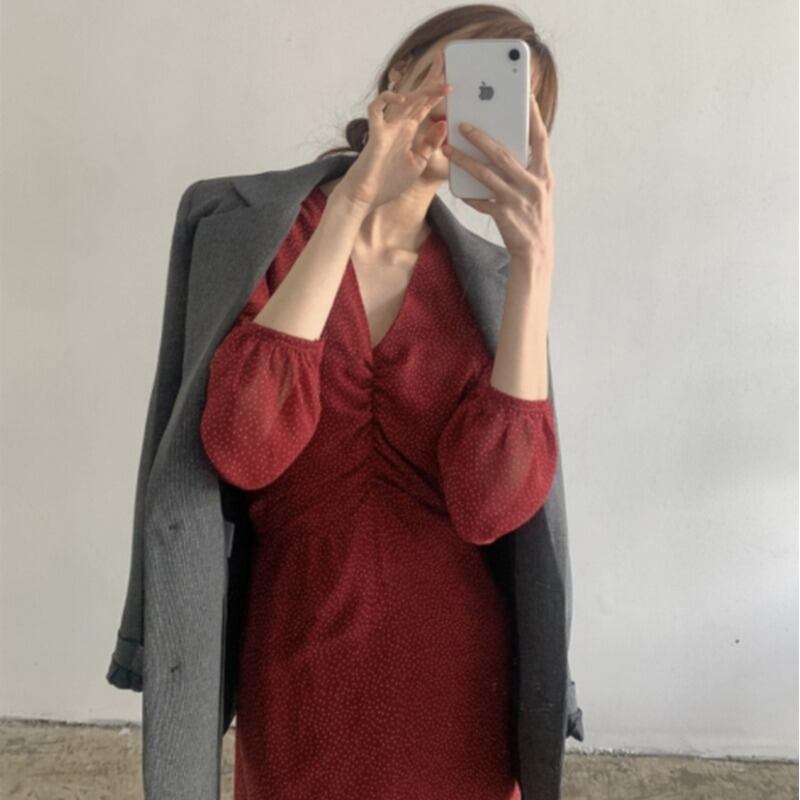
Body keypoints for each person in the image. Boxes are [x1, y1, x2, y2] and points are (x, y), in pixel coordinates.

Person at [200, 7, 560, 799]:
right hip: (300, 663)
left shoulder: (492, 288)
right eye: (458, 72)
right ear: (398, 75)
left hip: (457, 680)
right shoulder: (249, 234)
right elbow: (244, 446)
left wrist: (534, 264)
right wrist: (353, 203)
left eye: (501, 98)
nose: (466, 107)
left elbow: (490, 506)